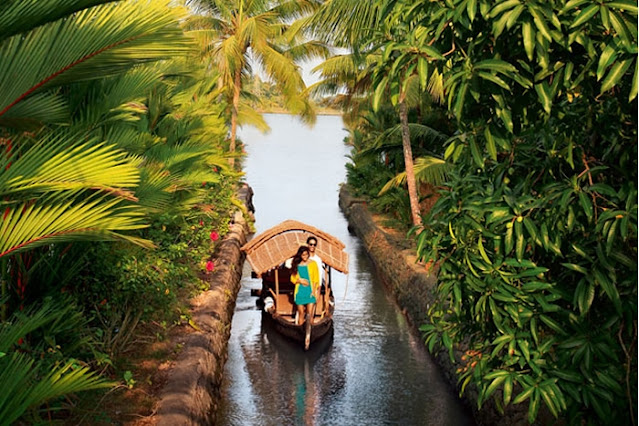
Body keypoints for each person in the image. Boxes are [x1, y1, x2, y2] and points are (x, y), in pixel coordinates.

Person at [290, 246, 320, 334]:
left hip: (310, 291)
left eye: (307, 254)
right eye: (303, 255)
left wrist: (314, 291)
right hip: (300, 291)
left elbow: (316, 279)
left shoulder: (313, 263)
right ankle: (301, 332)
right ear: (300, 255)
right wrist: (299, 280)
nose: (305, 257)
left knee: (309, 314)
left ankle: (310, 332)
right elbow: (292, 278)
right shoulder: (297, 265)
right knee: (301, 313)